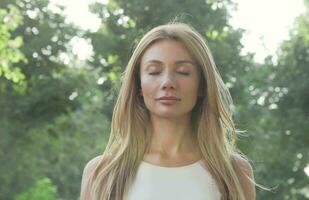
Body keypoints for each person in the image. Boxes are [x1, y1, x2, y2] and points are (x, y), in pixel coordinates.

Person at [80, 22, 256, 200]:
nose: (167, 82)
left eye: (183, 71)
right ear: (138, 85)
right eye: (154, 72)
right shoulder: (101, 174)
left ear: (202, 85)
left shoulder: (235, 173)